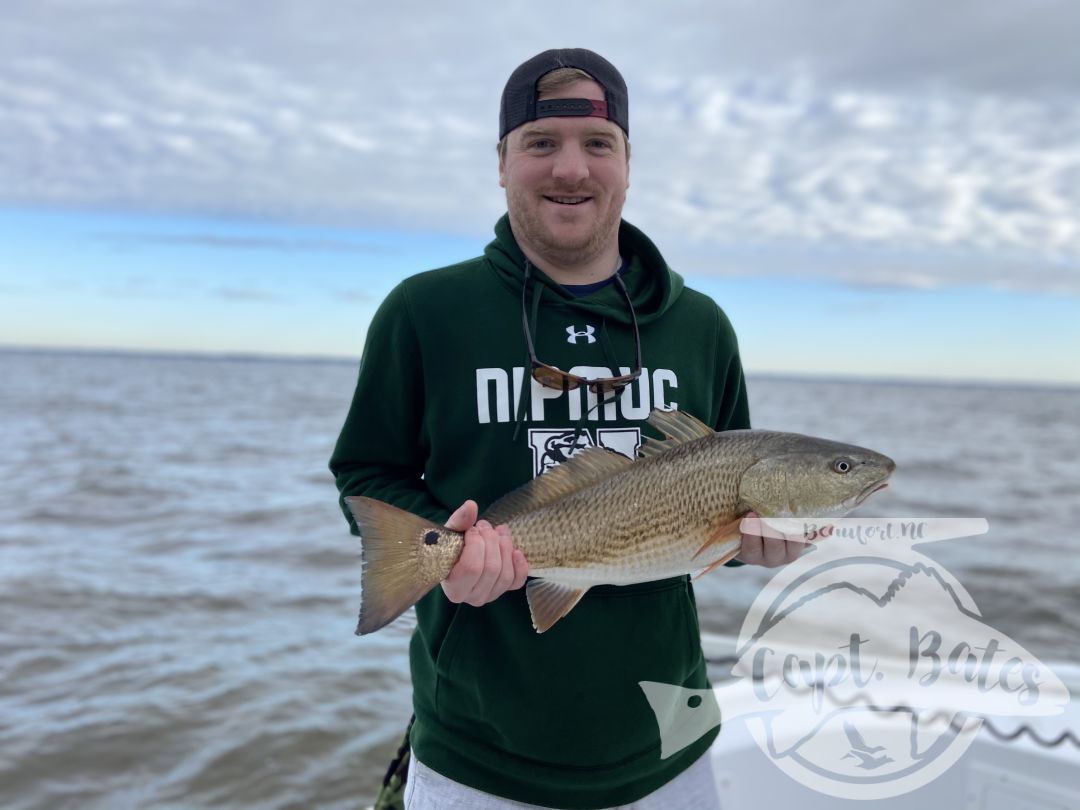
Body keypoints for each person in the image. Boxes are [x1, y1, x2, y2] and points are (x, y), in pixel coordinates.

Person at [330, 48, 804, 810]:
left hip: (667, 739)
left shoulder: (701, 326)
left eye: (597, 145)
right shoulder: (425, 312)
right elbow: (366, 474)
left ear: (626, 161)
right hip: (476, 749)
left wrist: (762, 543)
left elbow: (729, 491)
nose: (571, 170)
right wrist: (442, 551)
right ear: (502, 161)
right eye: (541, 143)